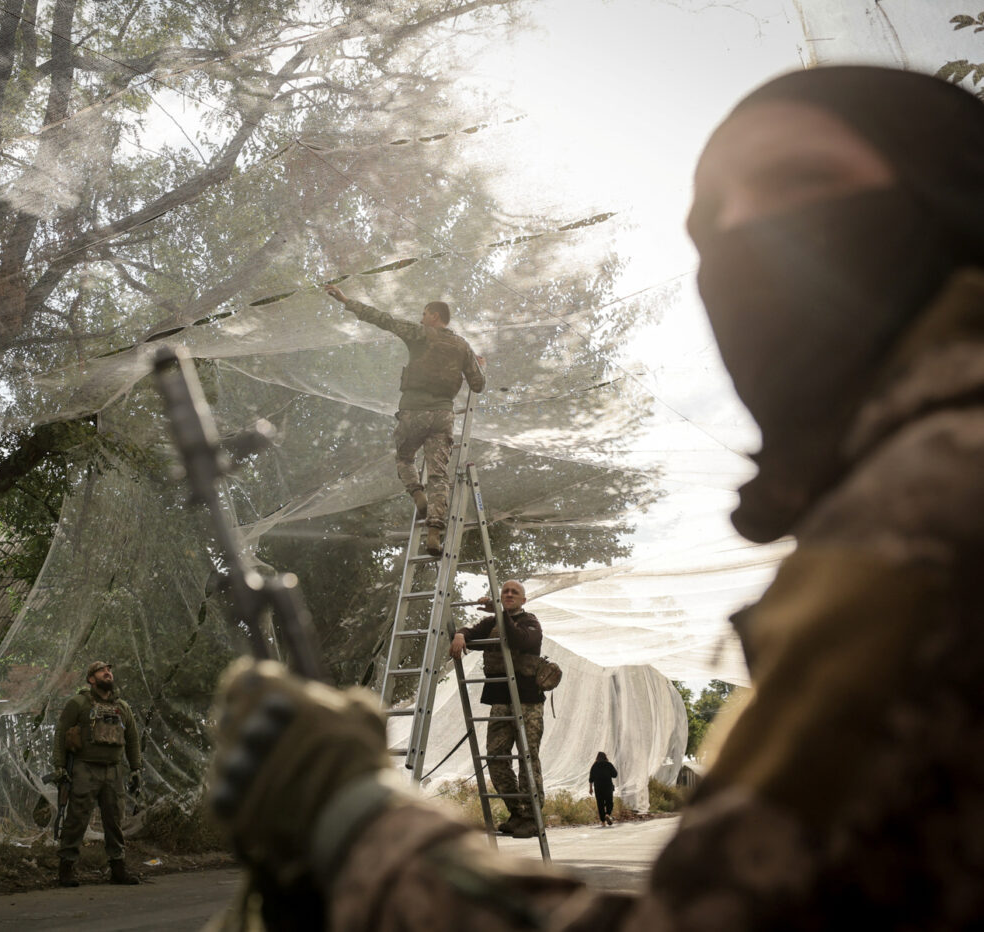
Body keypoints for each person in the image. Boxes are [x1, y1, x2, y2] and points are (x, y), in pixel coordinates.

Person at [207, 65, 984, 930]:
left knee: (424, 481)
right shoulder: (892, 487)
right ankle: (432, 527)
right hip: (428, 447)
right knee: (414, 477)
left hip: (440, 459)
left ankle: (435, 533)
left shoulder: (932, 505)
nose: (743, 244)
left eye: (801, 183)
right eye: (709, 229)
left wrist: (362, 835)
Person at [323, 283, 485, 556]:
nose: (421, 318)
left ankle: (417, 496)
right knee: (439, 475)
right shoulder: (463, 346)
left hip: (414, 411)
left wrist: (346, 300)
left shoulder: (421, 334)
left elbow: (384, 320)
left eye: (424, 314)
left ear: (434, 316)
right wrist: (480, 366)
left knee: (405, 458)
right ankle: (434, 533)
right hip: (443, 417)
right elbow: (478, 385)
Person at [448, 579, 545, 837]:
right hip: (500, 701)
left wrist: (498, 612)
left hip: (527, 701)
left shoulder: (530, 622)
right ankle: (517, 812)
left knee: (527, 757)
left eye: (515, 592)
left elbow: (518, 639)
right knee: (495, 757)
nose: (510, 594)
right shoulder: (492, 623)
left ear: (523, 600)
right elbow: (470, 631)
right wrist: (460, 635)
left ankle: (533, 817)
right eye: (505, 591)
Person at [53, 661, 143, 887]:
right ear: (91, 679)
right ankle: (66, 868)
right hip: (85, 768)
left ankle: (118, 868)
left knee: (114, 820)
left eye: (109, 670)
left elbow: (132, 738)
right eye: (102, 671)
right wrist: (60, 766)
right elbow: (61, 732)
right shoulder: (78, 703)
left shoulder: (122, 707)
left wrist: (136, 769)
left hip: (113, 770)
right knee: (76, 819)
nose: (108, 673)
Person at [588, 752, 617, 827]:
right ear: (605, 757)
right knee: (609, 802)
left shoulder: (594, 766)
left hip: (598, 788)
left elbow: (591, 779)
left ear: (597, 757)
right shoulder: (608, 764)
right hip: (608, 786)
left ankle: (603, 822)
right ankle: (607, 814)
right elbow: (615, 775)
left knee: (600, 804)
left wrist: (590, 789)